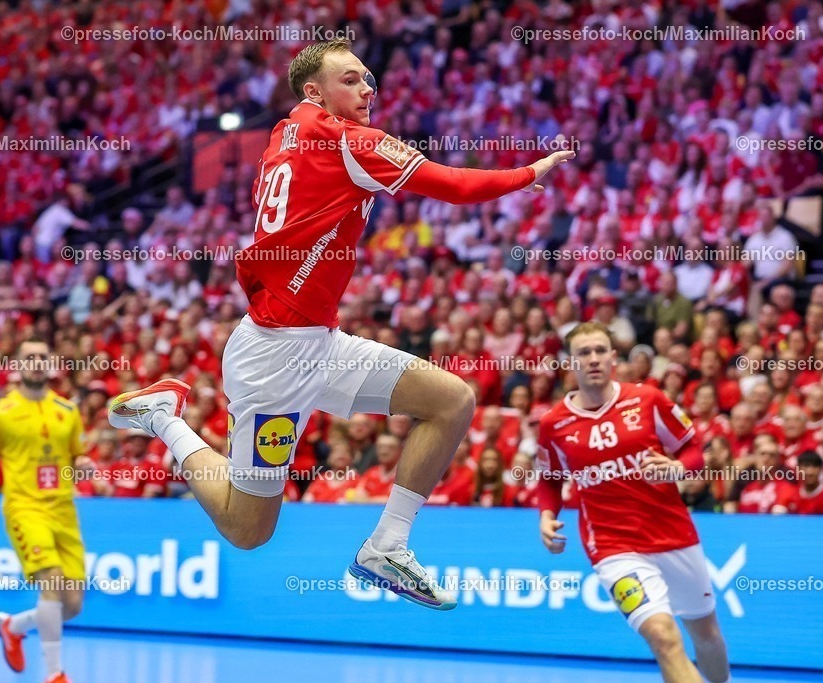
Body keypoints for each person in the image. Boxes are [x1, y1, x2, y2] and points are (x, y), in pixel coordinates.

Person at [108, 39, 574, 610]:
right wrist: (528, 171)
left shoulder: (284, 134)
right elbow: (453, 186)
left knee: (451, 400)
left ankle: (387, 545)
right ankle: (167, 422)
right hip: (275, 361)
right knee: (248, 530)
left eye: (369, 80)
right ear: (316, 93)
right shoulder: (347, 141)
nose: (367, 89)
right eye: (351, 80)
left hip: (317, 342)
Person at [537, 322, 730, 683]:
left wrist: (675, 467)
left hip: (673, 534)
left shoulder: (648, 399)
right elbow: (549, 478)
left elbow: (694, 451)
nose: (592, 359)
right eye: (583, 352)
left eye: (599, 351)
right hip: (612, 546)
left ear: (613, 357)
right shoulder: (553, 424)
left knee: (706, 634)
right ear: (570, 362)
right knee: (662, 636)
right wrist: (547, 516)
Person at [0, 338, 87, 683]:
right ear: (17, 366)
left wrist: (84, 464)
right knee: (51, 581)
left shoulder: (67, 411)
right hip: (24, 507)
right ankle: (54, 674)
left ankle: (13, 626)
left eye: (41, 356)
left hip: (63, 509)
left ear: (49, 363)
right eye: (29, 357)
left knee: (73, 605)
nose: (36, 362)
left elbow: (77, 456)